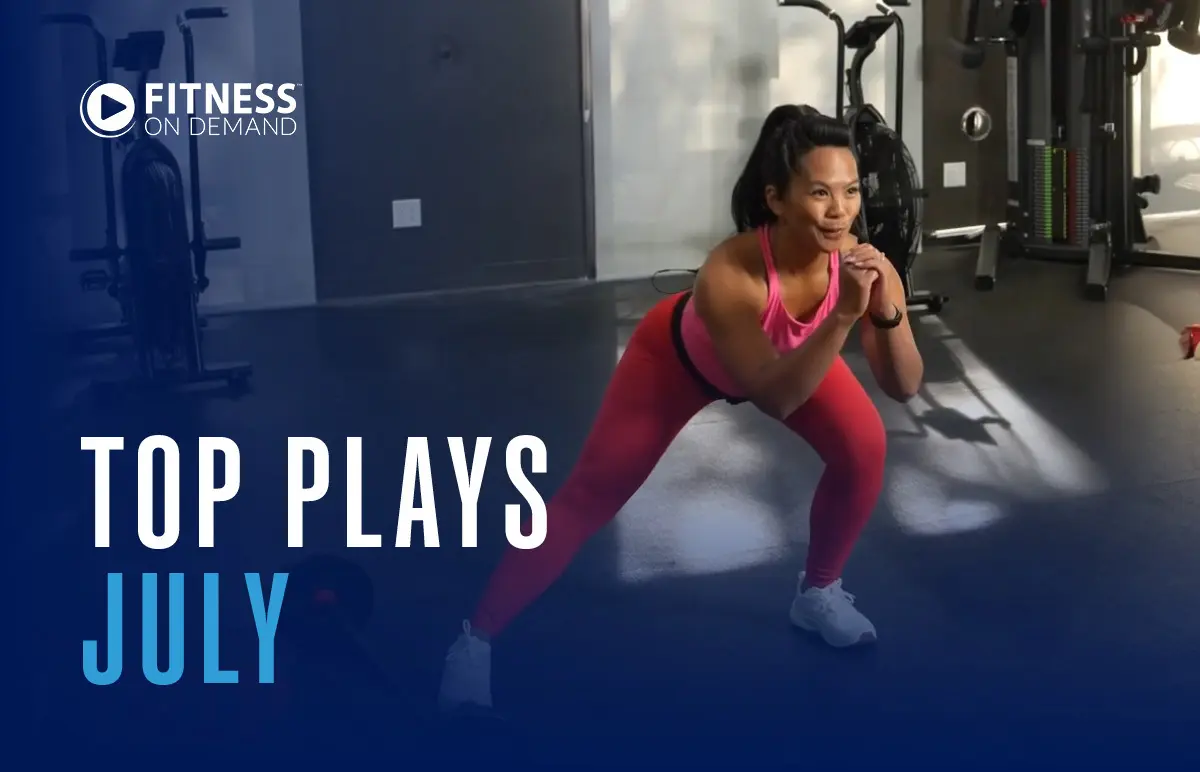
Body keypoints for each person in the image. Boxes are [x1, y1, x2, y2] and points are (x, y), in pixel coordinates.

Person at [438, 105, 925, 712]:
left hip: (790, 363)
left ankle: (818, 593)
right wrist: (846, 313)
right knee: (589, 495)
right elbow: (775, 397)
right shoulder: (729, 272)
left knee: (865, 449)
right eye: (820, 193)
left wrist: (886, 304)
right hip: (680, 361)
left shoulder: (857, 264)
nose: (840, 211)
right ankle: (474, 641)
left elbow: (904, 385)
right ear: (776, 199)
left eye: (850, 192)